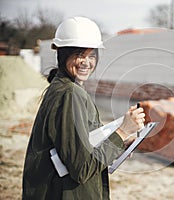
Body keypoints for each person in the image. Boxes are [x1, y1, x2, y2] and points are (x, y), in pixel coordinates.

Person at [22, 16, 145, 200]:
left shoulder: (62, 88)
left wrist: (118, 145)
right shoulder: (69, 94)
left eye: (92, 55)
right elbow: (81, 168)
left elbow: (79, 147)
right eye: (79, 54)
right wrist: (122, 131)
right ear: (62, 54)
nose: (86, 62)